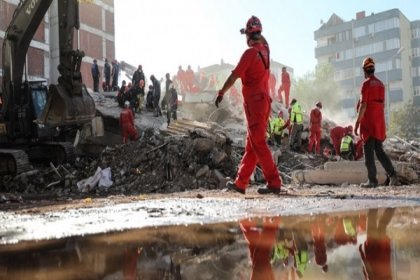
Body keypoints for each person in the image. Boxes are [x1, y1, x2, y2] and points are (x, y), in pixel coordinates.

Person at [214, 15, 282, 195]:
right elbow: (263, 39)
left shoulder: (250, 54)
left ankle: (274, 182)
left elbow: (233, 76)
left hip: (255, 104)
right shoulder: (265, 51)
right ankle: (241, 182)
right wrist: (253, 32)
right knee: (251, 146)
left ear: (249, 36)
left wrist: (221, 92)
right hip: (263, 102)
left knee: (258, 143)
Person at [355, 57, 398, 188]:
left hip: (368, 124)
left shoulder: (366, 84)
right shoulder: (381, 84)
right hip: (379, 123)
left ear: (364, 71)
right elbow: (382, 105)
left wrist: (357, 122)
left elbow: (363, 105)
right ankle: (393, 175)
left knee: (368, 153)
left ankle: (372, 181)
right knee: (379, 151)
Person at [359, 208, 395, 280]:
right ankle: (374, 201)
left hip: (384, 250)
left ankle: (393, 205)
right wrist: (361, 253)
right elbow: (368, 270)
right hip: (373, 249)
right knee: (371, 218)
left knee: (382, 224)